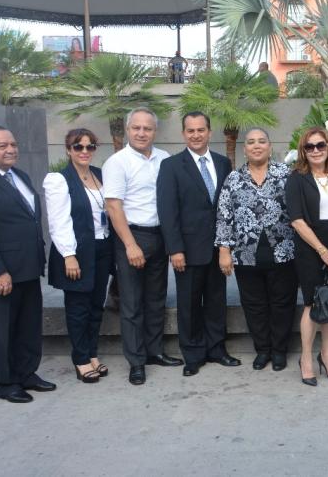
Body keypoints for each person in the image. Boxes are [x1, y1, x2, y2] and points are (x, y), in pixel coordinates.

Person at [156, 112, 240, 377]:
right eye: (190, 130)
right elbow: (167, 212)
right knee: (189, 304)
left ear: (209, 132)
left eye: (200, 130)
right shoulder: (171, 166)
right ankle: (192, 354)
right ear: (183, 134)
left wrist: (228, 246)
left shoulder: (223, 163)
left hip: (218, 249)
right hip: (188, 251)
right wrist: (175, 249)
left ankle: (216, 349)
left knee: (216, 300)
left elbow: (228, 207)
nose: (196, 135)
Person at [103, 107, 183, 386]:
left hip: (160, 236)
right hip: (132, 237)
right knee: (132, 303)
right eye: (136, 127)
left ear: (155, 131)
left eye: (147, 128)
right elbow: (113, 206)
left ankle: (154, 352)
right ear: (127, 130)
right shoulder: (117, 162)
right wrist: (130, 244)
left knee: (155, 299)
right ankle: (136, 362)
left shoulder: (165, 159)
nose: (141, 133)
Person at [0, 125, 55, 402]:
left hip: (28, 268)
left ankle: (26, 373)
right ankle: (5, 382)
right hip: (1, 274)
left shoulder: (19, 176)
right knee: (3, 331)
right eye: (2, 145)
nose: (10, 149)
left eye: (12, 144)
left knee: (28, 326)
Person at [216, 127, 298, 372]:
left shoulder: (287, 175)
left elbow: (299, 212)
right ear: (244, 149)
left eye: (262, 141)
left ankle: (280, 351)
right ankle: (263, 350)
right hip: (246, 255)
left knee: (283, 303)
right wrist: (224, 250)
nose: (256, 145)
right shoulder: (233, 179)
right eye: (251, 142)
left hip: (284, 251)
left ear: (270, 146)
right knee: (254, 305)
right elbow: (224, 216)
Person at [286, 127, 328, 386]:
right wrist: (322, 250)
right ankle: (306, 358)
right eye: (310, 146)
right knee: (312, 303)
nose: (316, 150)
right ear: (303, 151)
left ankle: (326, 355)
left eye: (320, 145)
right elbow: (296, 220)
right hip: (310, 247)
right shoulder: (297, 178)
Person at [44, 128, 113, 384]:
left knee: (96, 305)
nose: (84, 151)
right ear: (68, 149)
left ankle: (92, 352)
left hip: (102, 248)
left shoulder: (99, 175)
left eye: (90, 146)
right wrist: (69, 255)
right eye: (78, 147)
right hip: (76, 251)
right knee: (78, 308)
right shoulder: (58, 180)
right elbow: (58, 221)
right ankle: (81, 359)